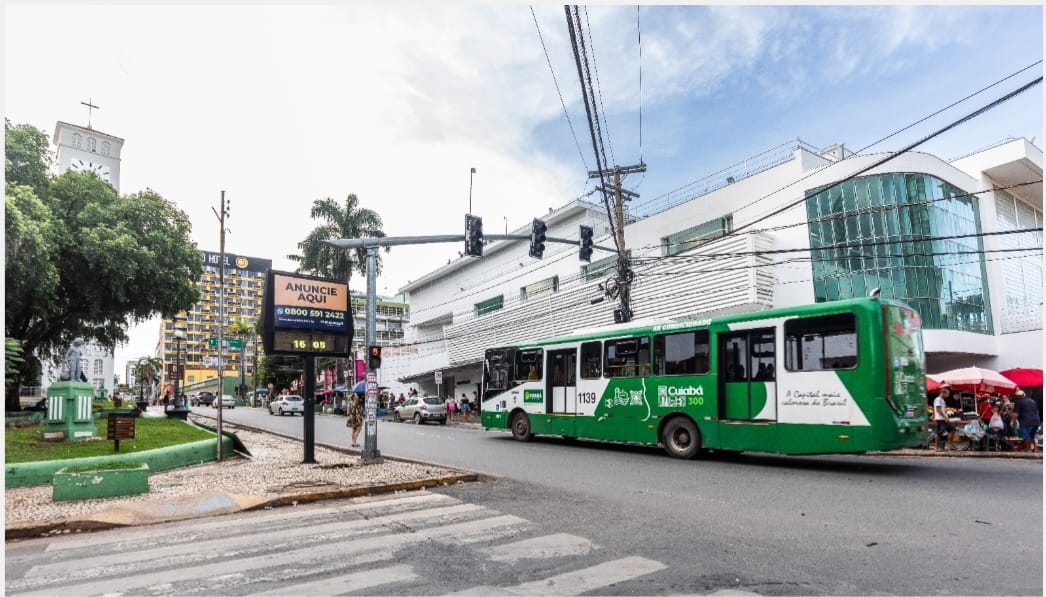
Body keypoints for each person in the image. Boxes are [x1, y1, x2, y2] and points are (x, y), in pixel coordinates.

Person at [933, 385, 953, 452]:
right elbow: (938, 409)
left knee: (951, 430)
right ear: (943, 393)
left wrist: (946, 414)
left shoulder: (942, 400)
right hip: (940, 419)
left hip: (943, 419)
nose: (948, 395)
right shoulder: (938, 399)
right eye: (947, 393)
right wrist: (945, 417)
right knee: (938, 433)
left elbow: (941, 409)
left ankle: (949, 446)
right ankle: (936, 448)